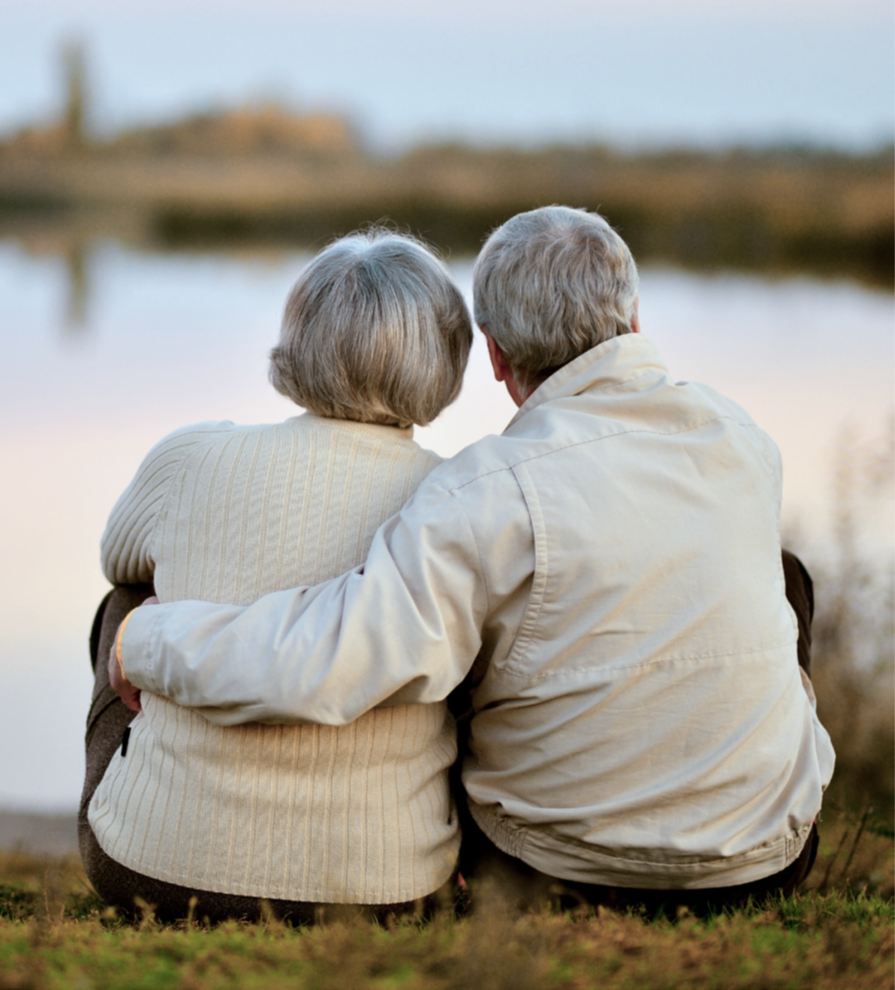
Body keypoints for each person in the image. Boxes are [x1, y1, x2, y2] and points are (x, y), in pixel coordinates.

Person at [111, 206, 835, 913]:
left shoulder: (486, 490)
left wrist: (142, 637)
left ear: (493, 354)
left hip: (555, 867)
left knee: (460, 634)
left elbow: (333, 658)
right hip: (764, 861)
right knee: (783, 576)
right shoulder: (743, 439)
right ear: (635, 318)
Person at [81, 229, 473, 923]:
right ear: (446, 357)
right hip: (388, 888)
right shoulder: (458, 498)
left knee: (128, 601)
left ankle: (158, 800)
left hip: (151, 870)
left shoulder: (189, 456)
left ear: (297, 340)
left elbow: (119, 558)